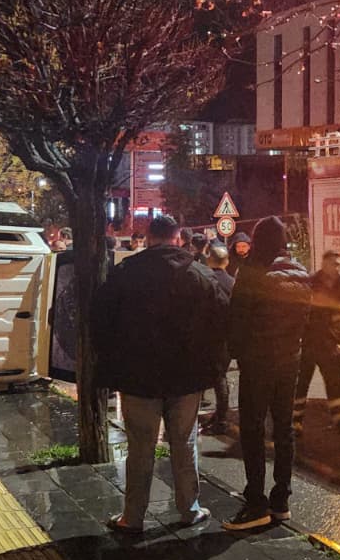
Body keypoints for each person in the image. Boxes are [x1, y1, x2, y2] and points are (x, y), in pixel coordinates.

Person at [92, 213, 230, 533]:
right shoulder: (199, 274)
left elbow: (101, 321)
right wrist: (211, 367)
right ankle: (189, 509)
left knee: (140, 446)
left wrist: (114, 363)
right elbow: (221, 324)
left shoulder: (126, 272)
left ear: (149, 237)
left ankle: (132, 517)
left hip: (138, 377)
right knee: (184, 443)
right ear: (178, 238)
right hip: (186, 379)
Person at [223, 216, 310, 531]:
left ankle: (256, 502)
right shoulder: (300, 273)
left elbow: (236, 320)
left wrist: (236, 353)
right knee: (284, 428)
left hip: (258, 362)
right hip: (289, 360)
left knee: (253, 429)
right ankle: (281, 500)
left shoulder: (252, 274)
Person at [293, 250, 340, 442]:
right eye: (333, 264)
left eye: (338, 265)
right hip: (309, 342)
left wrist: (339, 341)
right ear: (324, 264)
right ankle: (294, 423)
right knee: (300, 383)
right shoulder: (311, 283)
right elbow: (301, 311)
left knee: (336, 385)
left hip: (330, 344)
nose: (336, 268)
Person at [199, 244, 235, 434]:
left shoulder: (205, 280)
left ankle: (221, 420)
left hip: (208, 336)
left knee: (215, 377)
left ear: (209, 259)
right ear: (226, 262)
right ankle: (219, 416)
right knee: (220, 376)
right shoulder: (232, 282)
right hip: (227, 337)